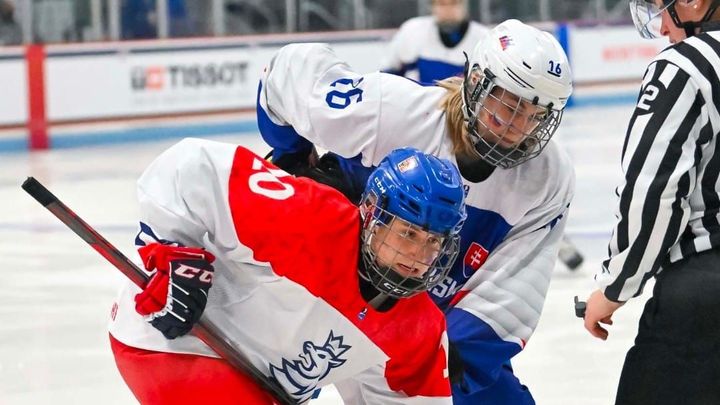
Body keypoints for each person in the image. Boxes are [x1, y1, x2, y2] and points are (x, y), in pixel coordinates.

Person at [257, 19, 574, 405]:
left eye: (535, 115)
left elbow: (514, 287)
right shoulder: (392, 110)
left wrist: (447, 355)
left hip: (427, 321)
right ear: (476, 82)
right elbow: (290, 72)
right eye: (509, 105)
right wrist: (292, 158)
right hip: (336, 289)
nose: (517, 127)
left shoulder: (547, 177)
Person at [108, 138, 466, 404]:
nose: (420, 254)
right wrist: (173, 252)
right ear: (373, 213)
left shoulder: (418, 331)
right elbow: (191, 166)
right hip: (173, 340)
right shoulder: (309, 219)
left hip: (254, 386)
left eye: (434, 241)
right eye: (408, 233)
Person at [583, 0, 720, 404]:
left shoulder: (685, 66)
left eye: (663, 8)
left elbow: (654, 189)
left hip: (704, 299)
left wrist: (615, 286)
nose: (662, 28)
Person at [381, 0, 490, 83]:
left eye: (453, 3)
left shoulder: (484, 38)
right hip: (419, 108)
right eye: (442, 3)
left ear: (464, 4)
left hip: (463, 110)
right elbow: (386, 76)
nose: (448, 10)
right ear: (433, 6)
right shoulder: (412, 31)